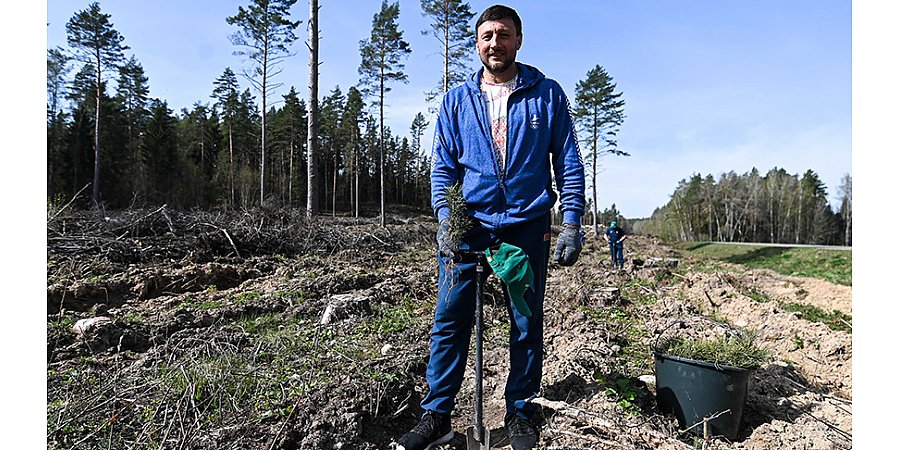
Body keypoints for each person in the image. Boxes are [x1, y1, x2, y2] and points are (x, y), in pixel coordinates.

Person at [396, 5, 586, 450]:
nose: (494, 43)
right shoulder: (457, 100)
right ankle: (437, 414)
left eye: (503, 35)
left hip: (526, 225)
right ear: (476, 44)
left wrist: (572, 221)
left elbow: (569, 162)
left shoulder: (547, 95)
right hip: (468, 225)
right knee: (450, 319)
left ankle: (520, 410)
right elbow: (442, 168)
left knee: (525, 320)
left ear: (518, 40)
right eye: (486, 36)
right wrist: (446, 217)